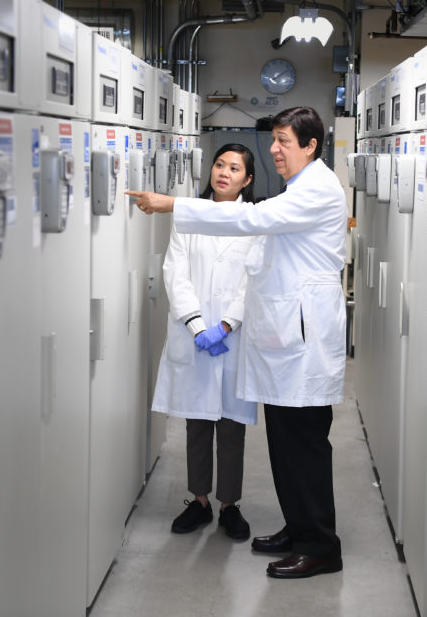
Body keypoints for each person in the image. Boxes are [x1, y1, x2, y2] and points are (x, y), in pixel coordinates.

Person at [127, 106, 347, 580]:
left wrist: (171, 205)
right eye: (274, 140)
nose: (275, 149)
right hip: (286, 337)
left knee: (304, 444)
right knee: (286, 442)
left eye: (284, 141)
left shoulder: (316, 190)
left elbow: (251, 223)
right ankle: (299, 528)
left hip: (303, 341)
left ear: (310, 145)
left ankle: (320, 546)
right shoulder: (301, 187)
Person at [152, 144, 259, 541]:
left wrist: (227, 325)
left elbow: (253, 277)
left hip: (233, 337)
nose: (224, 173)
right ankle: (199, 501)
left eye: (234, 168)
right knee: (197, 424)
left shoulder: (253, 220)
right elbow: (174, 272)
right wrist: (198, 325)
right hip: (193, 334)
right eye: (219, 165)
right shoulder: (187, 217)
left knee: (232, 428)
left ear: (247, 179)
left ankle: (230, 506)